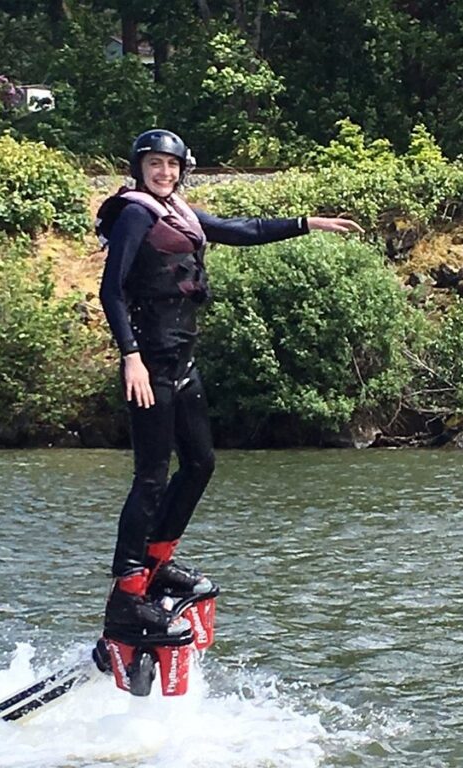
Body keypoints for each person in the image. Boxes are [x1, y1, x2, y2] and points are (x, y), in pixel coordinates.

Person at [96, 129, 363, 637]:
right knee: (151, 477)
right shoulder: (134, 213)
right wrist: (130, 357)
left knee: (200, 463)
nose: (164, 173)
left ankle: (157, 561)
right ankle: (127, 596)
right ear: (139, 167)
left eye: (172, 166)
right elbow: (111, 292)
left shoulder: (181, 212)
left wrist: (307, 223)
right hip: (149, 362)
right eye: (155, 164)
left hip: (182, 362)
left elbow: (243, 229)